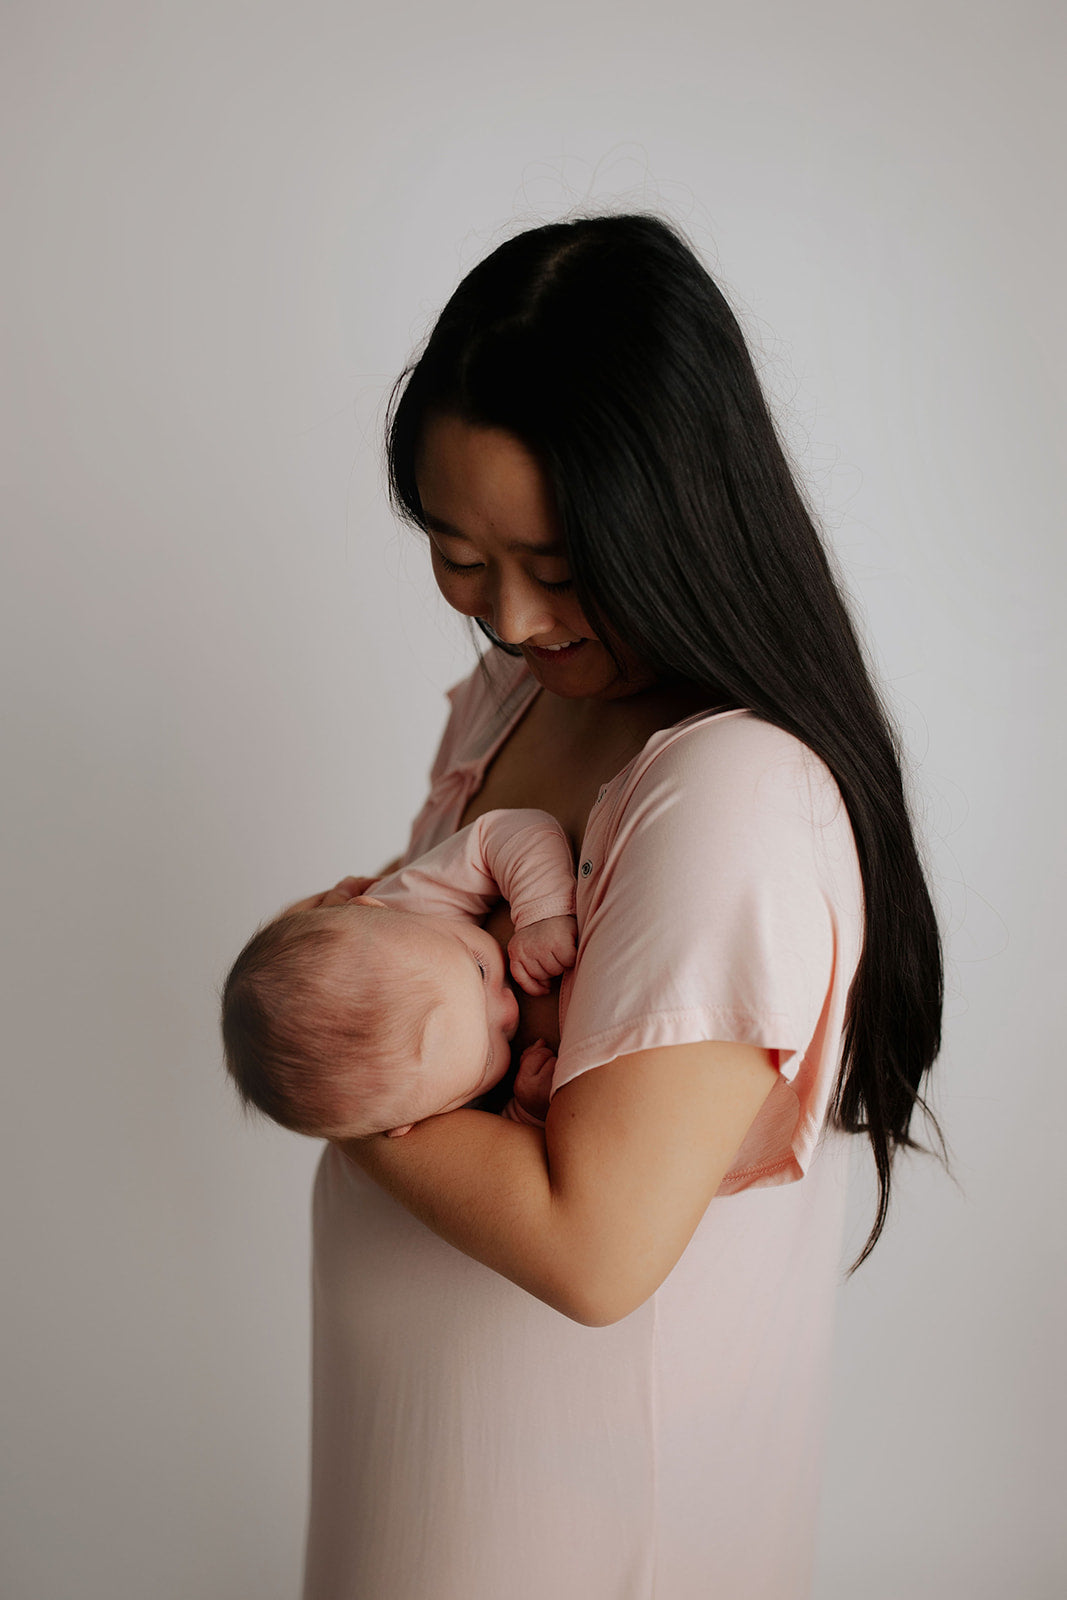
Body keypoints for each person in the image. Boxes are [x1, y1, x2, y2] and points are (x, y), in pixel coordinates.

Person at [299, 214, 944, 1600]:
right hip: (422, 1476)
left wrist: (316, 1060)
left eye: (558, 567)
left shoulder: (728, 792)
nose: (513, 619)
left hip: (571, 1520)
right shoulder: (516, 697)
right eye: (458, 555)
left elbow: (592, 1249)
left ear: (677, 524)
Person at [220, 807, 575, 1138]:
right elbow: (494, 1148)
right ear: (406, 1127)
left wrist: (541, 912)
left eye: (479, 968)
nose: (509, 1010)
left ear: (371, 908)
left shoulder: (409, 907)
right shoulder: (415, 1095)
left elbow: (503, 834)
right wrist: (527, 1111)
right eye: (487, 1059)